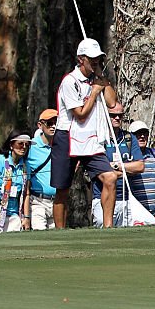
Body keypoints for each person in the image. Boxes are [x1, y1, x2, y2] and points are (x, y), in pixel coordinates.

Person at [51, 38, 119, 228]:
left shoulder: (97, 80)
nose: (96, 60)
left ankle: (108, 227)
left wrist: (101, 82)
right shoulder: (70, 82)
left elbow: (112, 103)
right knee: (62, 190)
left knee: (110, 178)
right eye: (92, 58)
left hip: (91, 139)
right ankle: (59, 232)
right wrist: (95, 92)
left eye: (98, 58)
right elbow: (80, 114)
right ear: (81, 59)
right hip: (69, 137)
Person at [92, 103, 144, 228]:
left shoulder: (129, 138)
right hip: (102, 198)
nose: (117, 118)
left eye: (120, 115)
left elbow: (140, 167)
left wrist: (116, 166)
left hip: (126, 199)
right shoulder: (97, 139)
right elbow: (100, 175)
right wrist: (127, 169)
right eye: (113, 115)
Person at [128, 120, 155, 218]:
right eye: (137, 134)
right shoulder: (126, 157)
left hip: (154, 213)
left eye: (145, 133)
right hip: (132, 214)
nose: (142, 136)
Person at [25, 110, 57, 230]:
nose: (53, 126)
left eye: (56, 123)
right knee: (40, 234)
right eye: (49, 123)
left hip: (57, 201)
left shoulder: (62, 145)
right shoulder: (31, 146)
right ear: (40, 125)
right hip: (38, 201)